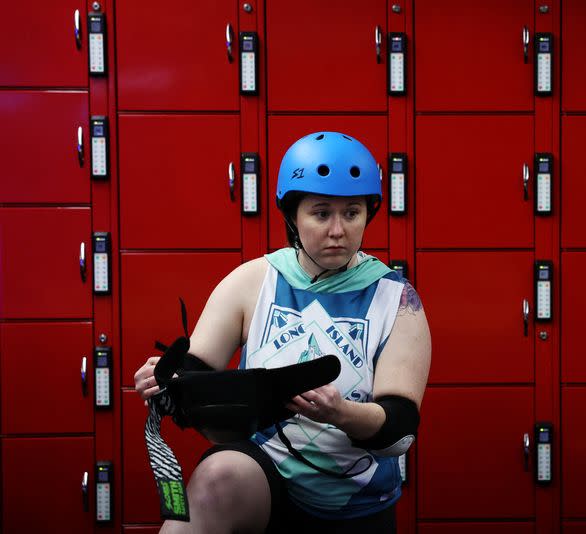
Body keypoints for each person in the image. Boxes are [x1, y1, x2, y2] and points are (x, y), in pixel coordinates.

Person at [134, 131, 431, 534]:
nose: (338, 230)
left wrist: (341, 414)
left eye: (352, 213)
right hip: (265, 483)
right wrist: (167, 381)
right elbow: (195, 369)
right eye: (321, 213)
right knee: (217, 477)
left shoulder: (397, 300)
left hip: (356, 504)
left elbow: (399, 428)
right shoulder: (256, 280)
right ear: (293, 216)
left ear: (368, 214)